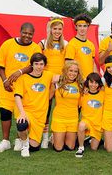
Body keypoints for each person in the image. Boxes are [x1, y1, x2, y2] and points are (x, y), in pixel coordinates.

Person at [0, 23, 41, 153]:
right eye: (25, 33)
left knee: (20, 114)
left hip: (24, 88)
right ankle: (5, 141)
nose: (27, 36)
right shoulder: (7, 44)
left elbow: (35, 65)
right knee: (5, 113)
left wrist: (20, 71)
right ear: (20, 31)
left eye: (30, 34)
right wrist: (5, 81)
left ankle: (19, 139)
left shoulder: (35, 47)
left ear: (33, 35)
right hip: (7, 87)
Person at [14, 53, 54, 157]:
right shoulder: (23, 78)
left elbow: (64, 77)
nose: (39, 67)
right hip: (27, 112)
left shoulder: (48, 75)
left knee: (35, 148)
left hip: (40, 116)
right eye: (36, 64)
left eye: (41, 64)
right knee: (21, 123)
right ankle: (24, 145)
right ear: (31, 65)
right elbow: (17, 96)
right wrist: (22, 113)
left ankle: (25, 140)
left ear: (44, 65)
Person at [38, 17, 67, 149]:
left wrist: (60, 76)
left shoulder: (66, 44)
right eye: (54, 28)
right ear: (50, 29)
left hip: (61, 81)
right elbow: (37, 62)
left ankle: (57, 135)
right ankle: (44, 137)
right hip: (47, 81)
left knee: (60, 109)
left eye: (59, 29)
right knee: (46, 109)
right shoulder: (42, 43)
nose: (57, 31)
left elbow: (67, 63)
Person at [51, 60, 84, 152]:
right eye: (70, 70)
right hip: (59, 118)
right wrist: (53, 82)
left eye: (75, 71)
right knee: (59, 148)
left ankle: (65, 136)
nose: (73, 73)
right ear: (66, 71)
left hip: (73, 119)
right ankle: (53, 137)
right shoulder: (57, 82)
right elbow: (49, 97)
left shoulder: (81, 84)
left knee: (70, 148)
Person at [75, 72, 104, 158]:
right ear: (87, 82)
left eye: (96, 83)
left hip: (97, 125)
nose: (93, 85)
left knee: (93, 148)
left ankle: (90, 139)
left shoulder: (103, 94)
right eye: (91, 82)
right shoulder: (83, 95)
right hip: (86, 122)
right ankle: (81, 147)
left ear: (99, 84)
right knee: (81, 125)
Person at [65, 13, 96, 79]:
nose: (82, 28)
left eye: (84, 26)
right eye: (80, 26)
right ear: (76, 27)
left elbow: (93, 64)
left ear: (88, 27)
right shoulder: (72, 44)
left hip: (89, 81)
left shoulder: (91, 45)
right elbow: (67, 65)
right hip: (77, 80)